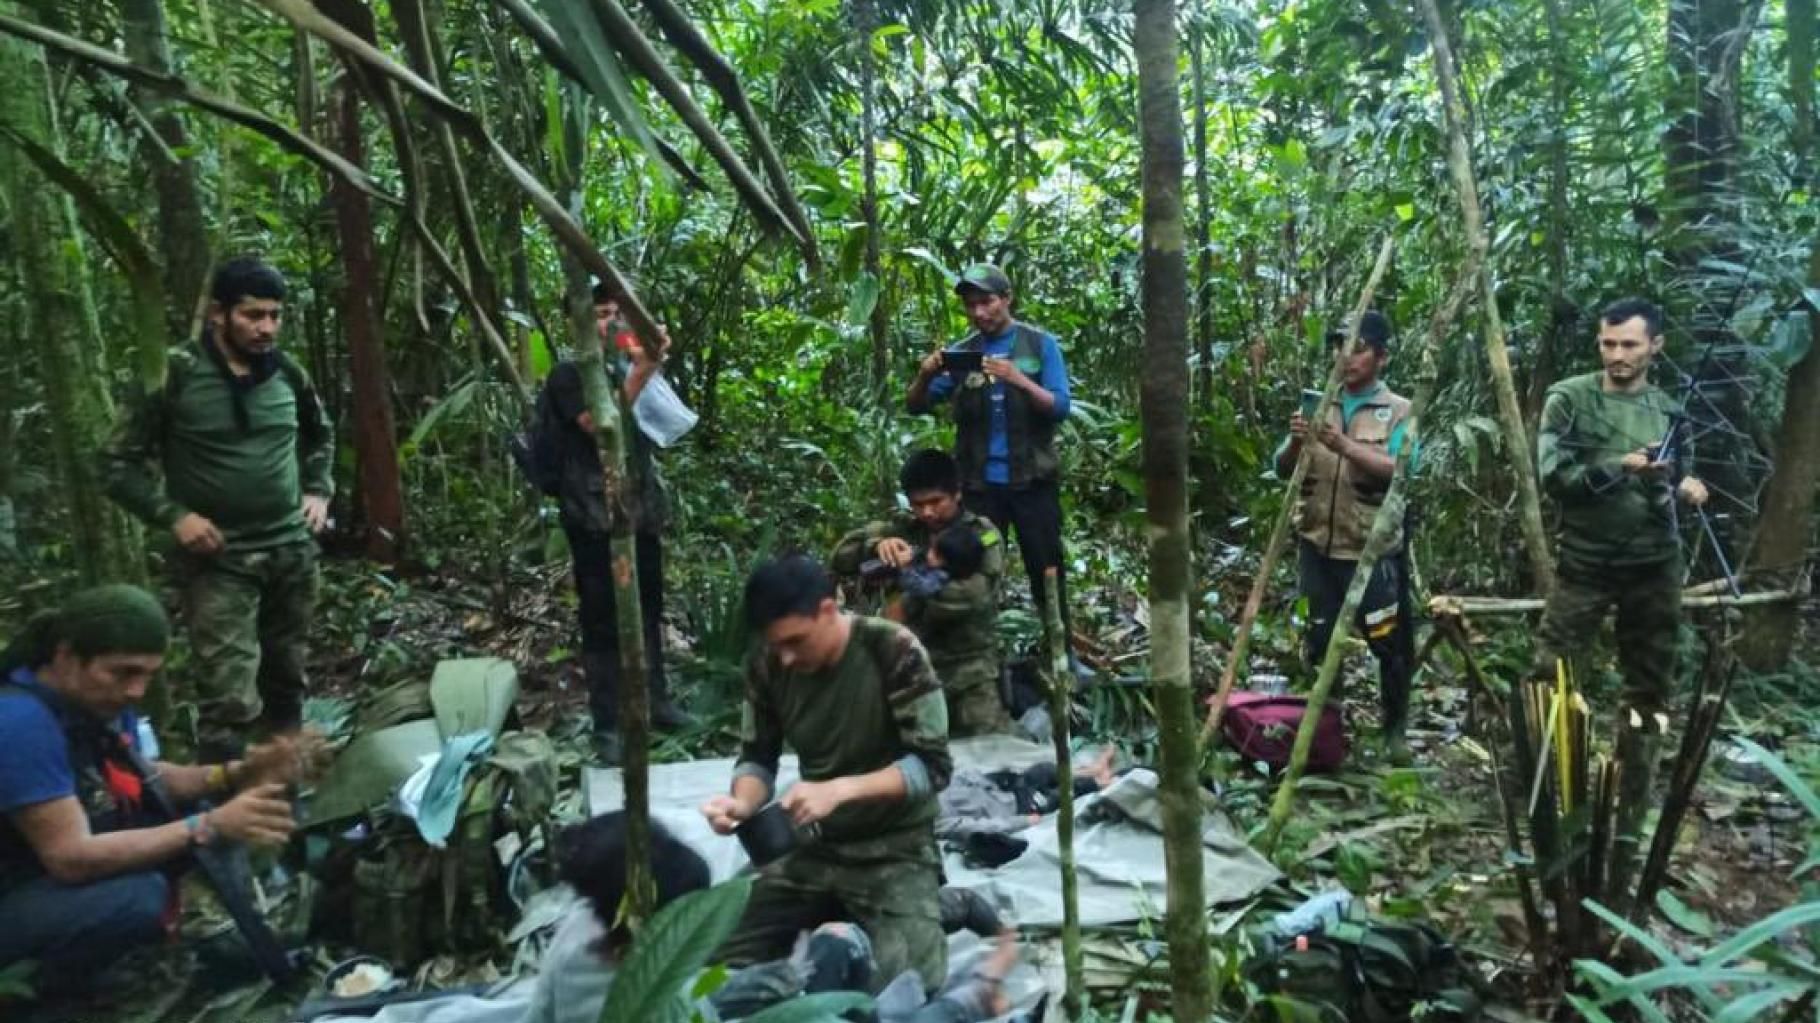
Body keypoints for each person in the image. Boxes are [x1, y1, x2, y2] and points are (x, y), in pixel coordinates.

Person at [0, 585, 317, 993]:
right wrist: (207, 825)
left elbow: (145, 776)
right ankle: (49, 990)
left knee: (200, 809)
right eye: (123, 672)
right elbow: (69, 857)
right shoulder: (20, 722)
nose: (136, 690)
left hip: (44, 868)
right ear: (66, 657)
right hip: (20, 885)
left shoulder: (92, 701)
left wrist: (236, 773)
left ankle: (242, 926)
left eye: (148, 674)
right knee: (136, 898)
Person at [102, 256, 333, 759]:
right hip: (220, 560)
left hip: (290, 552)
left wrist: (318, 489)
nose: (266, 327)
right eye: (253, 315)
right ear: (218, 314)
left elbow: (320, 436)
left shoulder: (288, 374)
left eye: (275, 315)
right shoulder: (173, 375)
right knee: (229, 699)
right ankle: (227, 818)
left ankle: (283, 798)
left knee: (288, 679)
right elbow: (116, 464)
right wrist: (174, 516)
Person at [702, 555, 953, 992]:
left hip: (895, 848)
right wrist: (741, 802)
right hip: (815, 848)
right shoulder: (769, 662)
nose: (785, 656)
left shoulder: (891, 648)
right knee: (703, 947)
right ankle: (836, 915)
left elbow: (931, 768)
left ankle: (944, 906)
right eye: (775, 644)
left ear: (827, 610)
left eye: (796, 641)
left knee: (911, 984)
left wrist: (840, 790)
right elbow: (758, 757)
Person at [1533, 297, 1709, 894]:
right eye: (1609, 344)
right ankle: (1548, 793)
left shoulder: (1669, 408)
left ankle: (1633, 797)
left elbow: (1679, 476)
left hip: (1654, 567)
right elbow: (1555, 479)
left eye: (1630, 345)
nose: (1618, 356)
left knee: (1650, 686)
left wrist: (1684, 486)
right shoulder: (1570, 398)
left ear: (1654, 346)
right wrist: (1620, 468)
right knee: (1550, 676)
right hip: (1587, 564)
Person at [906, 265, 1085, 679]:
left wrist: (1018, 379)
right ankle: (974, 659)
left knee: (1047, 568)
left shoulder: (1039, 346)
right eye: (972, 305)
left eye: (987, 301)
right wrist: (927, 373)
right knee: (972, 569)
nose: (980, 312)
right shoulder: (962, 352)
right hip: (980, 487)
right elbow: (916, 405)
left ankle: (1062, 655)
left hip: (1033, 485)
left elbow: (1059, 407)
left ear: (1007, 298)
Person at [543, 281, 691, 762]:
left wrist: (648, 353)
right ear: (577, 324)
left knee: (648, 607)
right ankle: (608, 722)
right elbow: (599, 423)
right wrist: (644, 367)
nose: (609, 323)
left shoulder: (626, 363)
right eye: (599, 315)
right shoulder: (569, 376)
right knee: (603, 618)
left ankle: (657, 700)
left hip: (639, 509)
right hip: (593, 517)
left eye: (614, 313)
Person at [1274, 311, 1419, 764]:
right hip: (1318, 545)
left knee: (1389, 644)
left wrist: (1344, 446)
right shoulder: (1322, 402)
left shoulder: (1399, 410)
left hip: (1371, 549)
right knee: (1319, 642)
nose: (1345, 356)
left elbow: (1401, 471)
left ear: (1381, 357)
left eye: (1357, 348)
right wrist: (1298, 441)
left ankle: (1394, 732)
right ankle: (1329, 736)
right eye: (1340, 346)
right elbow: (1282, 468)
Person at [832, 450, 1013, 736]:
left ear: (957, 494)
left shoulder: (982, 534)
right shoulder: (903, 528)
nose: (927, 512)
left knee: (992, 755)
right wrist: (877, 545)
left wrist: (910, 585)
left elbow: (975, 595)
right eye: (918, 504)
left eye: (936, 502)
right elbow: (841, 557)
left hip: (968, 670)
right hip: (909, 670)